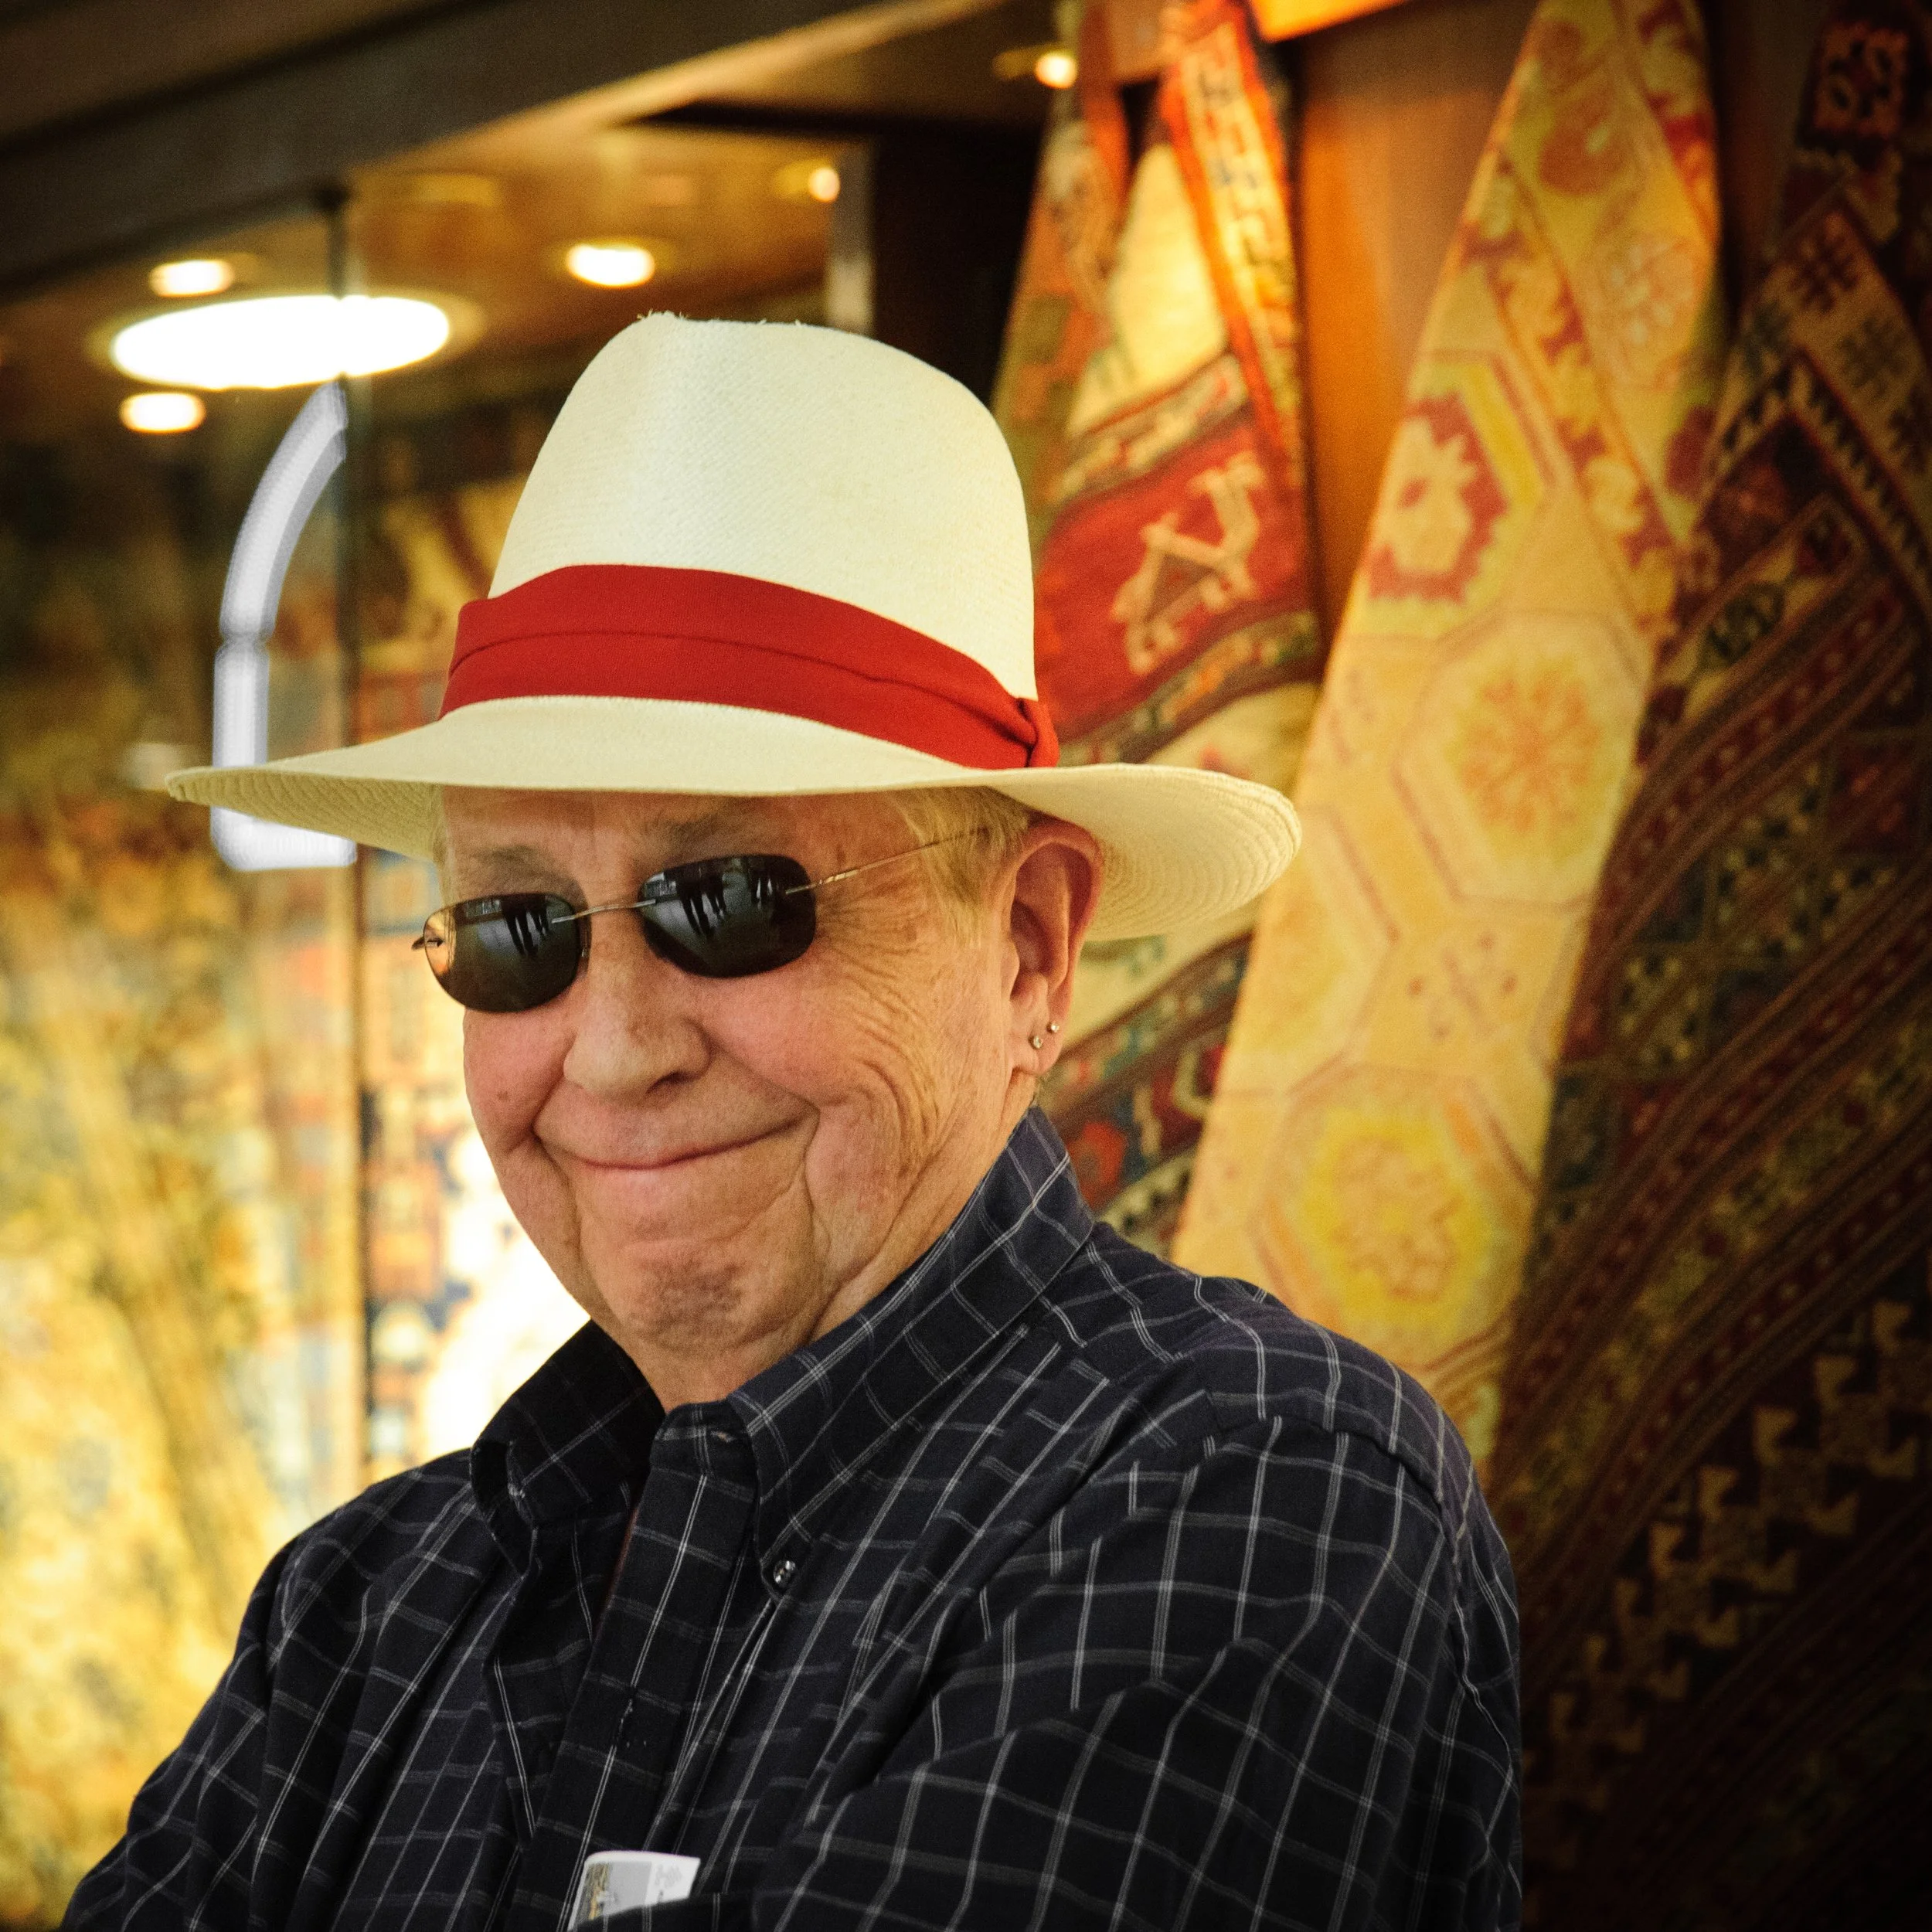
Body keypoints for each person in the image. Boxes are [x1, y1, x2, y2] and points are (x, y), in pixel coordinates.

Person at [70, 316, 1519, 1930]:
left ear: (1026, 946)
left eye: (732, 900)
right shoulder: (355, 1610)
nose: (613, 1050)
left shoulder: (1253, 1490)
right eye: (515, 926)